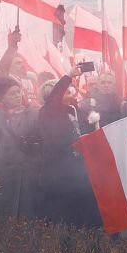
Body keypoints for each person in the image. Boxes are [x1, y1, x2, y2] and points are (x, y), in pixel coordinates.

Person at [32, 66, 94, 226]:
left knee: (84, 216)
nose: (70, 94)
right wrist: (68, 76)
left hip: (80, 172)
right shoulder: (47, 113)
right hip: (60, 175)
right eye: (65, 92)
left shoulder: (74, 110)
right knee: (64, 219)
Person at [0, 76, 35, 219]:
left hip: (26, 176)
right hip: (3, 176)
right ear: (0, 98)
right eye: (12, 93)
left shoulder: (29, 114)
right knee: (1, 219)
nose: (18, 96)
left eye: (19, 92)